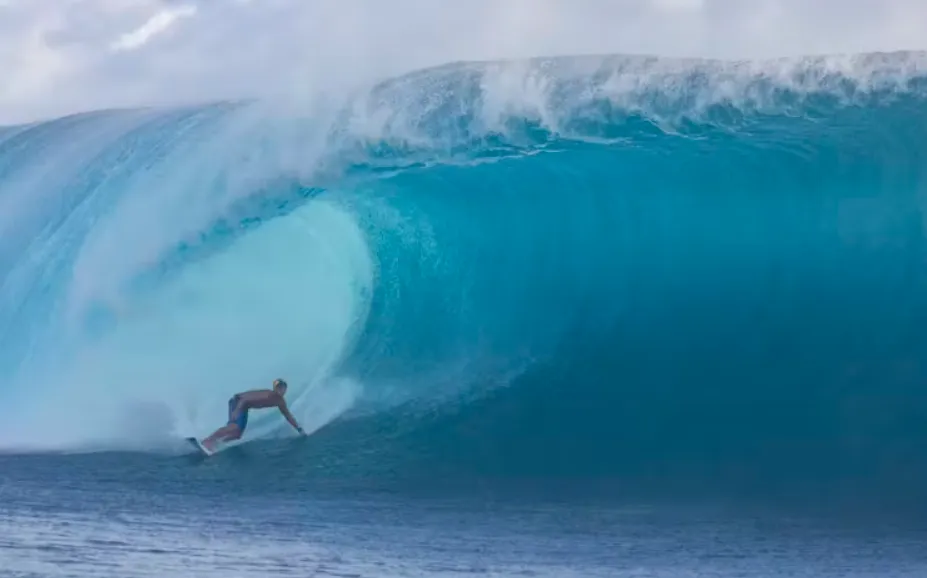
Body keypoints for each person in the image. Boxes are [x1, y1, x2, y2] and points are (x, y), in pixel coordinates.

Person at [201, 378, 304, 451]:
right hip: (238, 402)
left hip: (245, 407)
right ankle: (208, 440)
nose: (281, 390)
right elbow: (244, 400)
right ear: (275, 388)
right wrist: (236, 411)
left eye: (283, 388)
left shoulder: (280, 402)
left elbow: (288, 416)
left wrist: (298, 428)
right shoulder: (268, 395)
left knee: (237, 435)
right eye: (278, 388)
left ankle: (217, 443)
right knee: (233, 427)